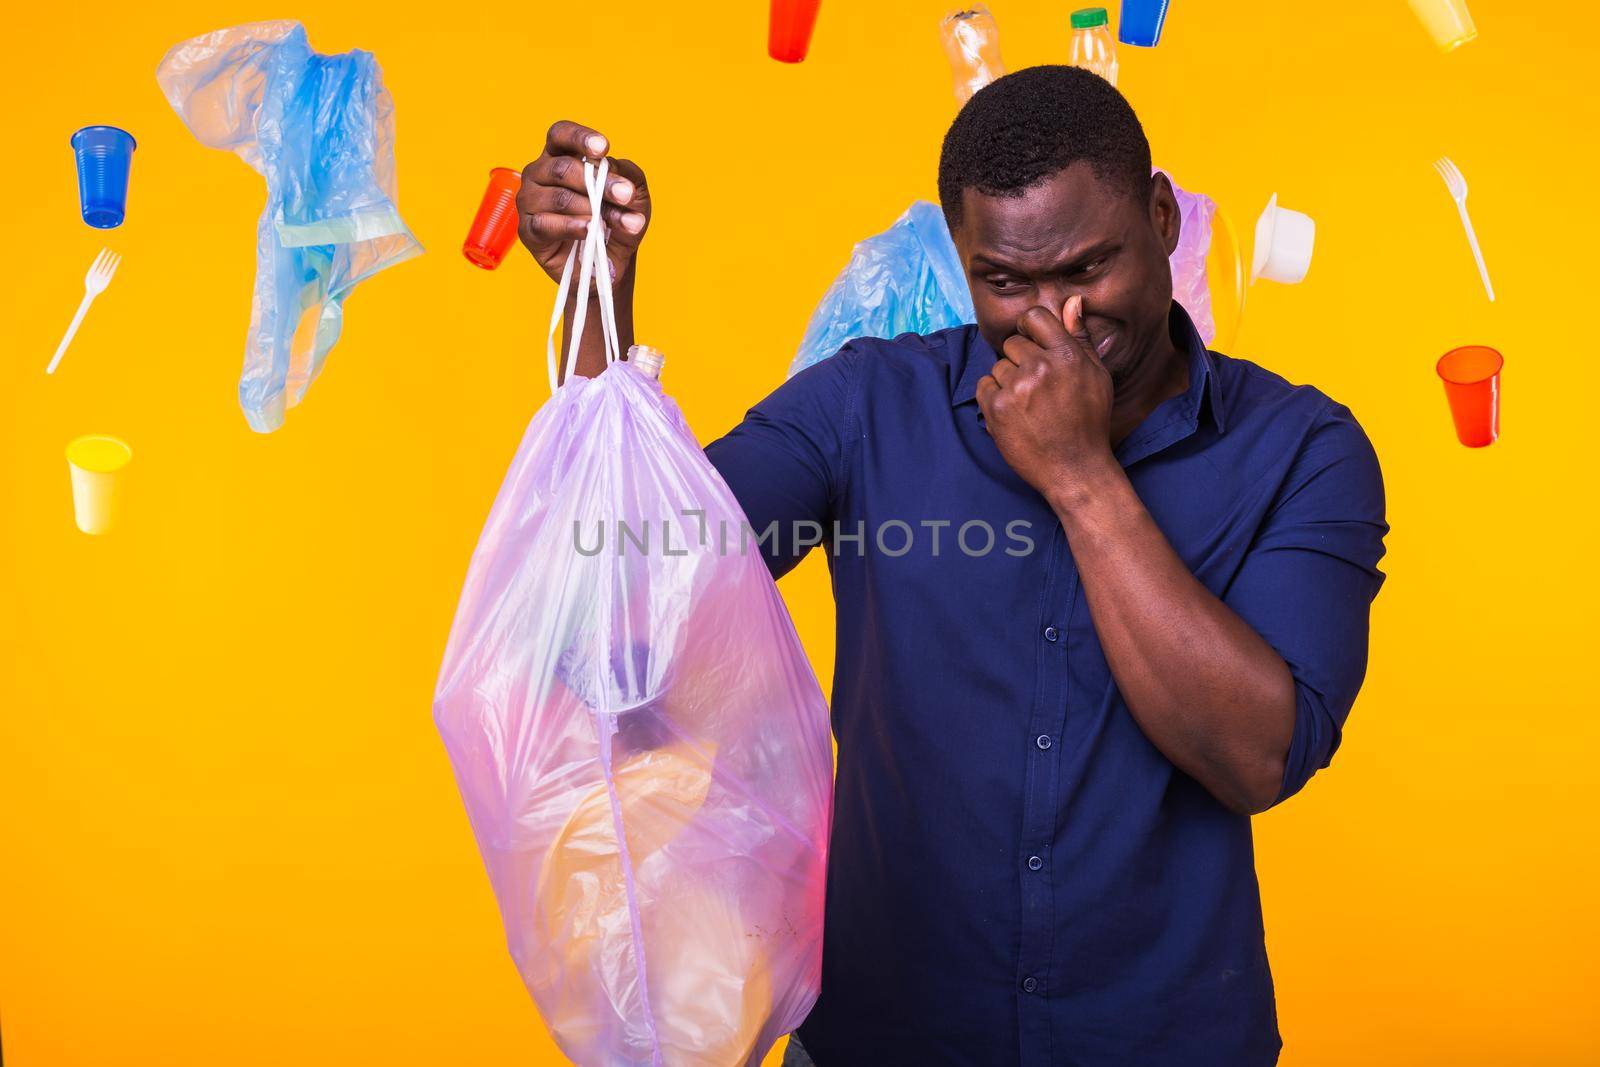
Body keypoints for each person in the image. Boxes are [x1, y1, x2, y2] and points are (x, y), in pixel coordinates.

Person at [515, 65, 1387, 1067]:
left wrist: (1079, 472)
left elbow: (1258, 754)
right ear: (962, 257)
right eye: (1006, 281)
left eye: (1087, 268)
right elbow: (628, 606)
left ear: (1159, 217)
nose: (1052, 320)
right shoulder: (868, 406)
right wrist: (601, 304)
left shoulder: (1299, 447)